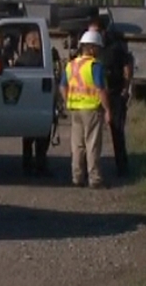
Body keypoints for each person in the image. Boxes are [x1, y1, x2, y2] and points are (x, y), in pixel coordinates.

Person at [60, 30, 111, 189]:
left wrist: (68, 100)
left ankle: (77, 177)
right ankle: (94, 179)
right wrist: (108, 109)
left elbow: (62, 86)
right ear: (92, 48)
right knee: (92, 144)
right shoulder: (95, 65)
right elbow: (100, 89)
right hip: (91, 109)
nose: (99, 52)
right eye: (97, 48)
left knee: (77, 145)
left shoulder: (71, 65)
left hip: (75, 109)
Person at [88, 19, 133, 177]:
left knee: (117, 132)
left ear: (102, 32)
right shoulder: (90, 51)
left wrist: (126, 90)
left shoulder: (115, 49)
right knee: (92, 135)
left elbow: (127, 67)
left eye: (95, 32)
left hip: (114, 94)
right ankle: (92, 168)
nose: (92, 36)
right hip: (95, 96)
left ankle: (122, 168)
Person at [15, 29, 52, 177]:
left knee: (27, 138)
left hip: (26, 102)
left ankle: (27, 165)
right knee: (42, 138)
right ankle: (41, 166)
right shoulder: (43, 59)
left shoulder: (21, 60)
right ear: (33, 42)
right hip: (41, 101)